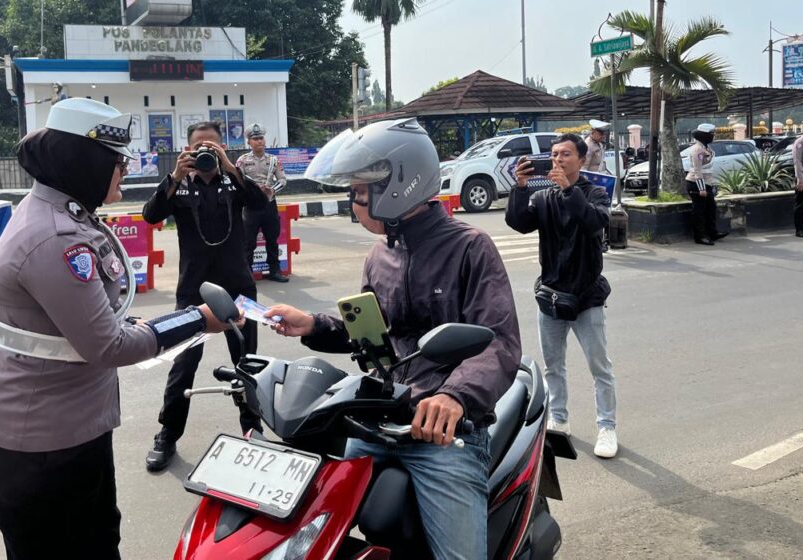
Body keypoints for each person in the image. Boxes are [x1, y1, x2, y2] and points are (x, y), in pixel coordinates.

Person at [0, 98, 235, 560]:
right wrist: (196, 319)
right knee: (72, 548)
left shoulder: (63, 210)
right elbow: (108, 345)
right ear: (85, 162)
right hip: (35, 436)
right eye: (116, 161)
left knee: (96, 536)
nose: (123, 170)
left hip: (54, 421)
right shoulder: (57, 237)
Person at [265, 118, 521, 560]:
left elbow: (498, 341)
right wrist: (312, 324)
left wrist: (454, 397)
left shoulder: (470, 247)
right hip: (379, 420)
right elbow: (372, 333)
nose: (354, 201)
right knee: (307, 529)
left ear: (399, 185)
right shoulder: (380, 254)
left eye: (360, 192)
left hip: (444, 434)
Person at [142, 120, 267, 472]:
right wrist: (174, 177)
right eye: (200, 147)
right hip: (193, 290)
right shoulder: (180, 185)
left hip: (237, 287)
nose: (206, 152)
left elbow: (259, 203)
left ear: (223, 147)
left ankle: (252, 428)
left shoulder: (233, 180)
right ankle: (168, 433)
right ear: (187, 150)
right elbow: (150, 215)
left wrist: (231, 167)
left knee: (246, 362)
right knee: (183, 364)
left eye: (213, 146)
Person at [504, 132, 619, 459]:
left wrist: (569, 190)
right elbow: (518, 222)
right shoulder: (544, 198)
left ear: (582, 160)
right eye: (553, 155)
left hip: (587, 299)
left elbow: (594, 222)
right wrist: (521, 187)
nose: (557, 160)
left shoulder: (595, 193)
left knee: (600, 368)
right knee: (553, 367)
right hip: (551, 297)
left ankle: (607, 426)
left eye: (565, 154)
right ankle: (559, 418)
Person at [235, 123, 289, 283]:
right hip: (251, 206)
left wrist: (271, 190)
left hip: (269, 204)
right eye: (255, 139)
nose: (259, 141)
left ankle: (274, 270)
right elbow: (238, 181)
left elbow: (283, 180)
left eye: (261, 138)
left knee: (272, 240)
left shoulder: (273, 160)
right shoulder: (242, 160)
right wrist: (252, 188)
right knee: (248, 242)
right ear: (249, 142)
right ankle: (247, 274)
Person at [685, 123, 728, 246]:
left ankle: (712, 232)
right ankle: (700, 236)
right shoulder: (697, 150)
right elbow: (697, 170)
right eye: (711, 134)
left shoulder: (706, 148)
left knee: (711, 209)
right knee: (699, 211)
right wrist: (701, 188)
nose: (713, 136)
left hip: (706, 183)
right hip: (696, 183)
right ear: (704, 136)